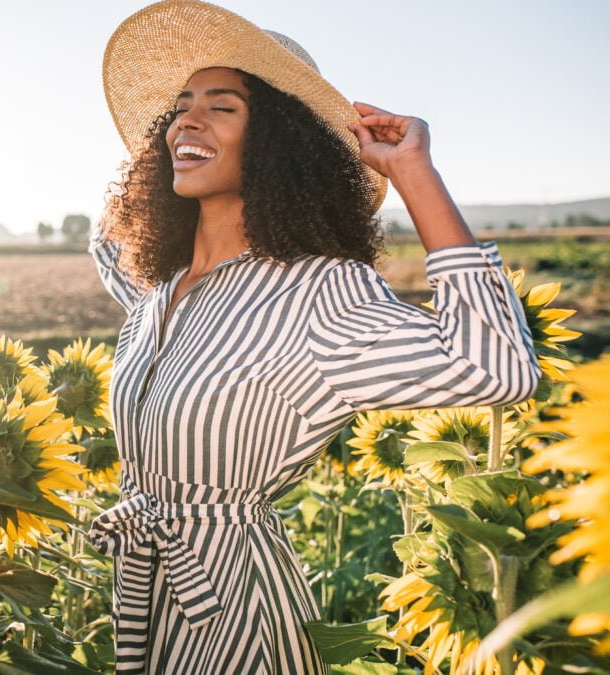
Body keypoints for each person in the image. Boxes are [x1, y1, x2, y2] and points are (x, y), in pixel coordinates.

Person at [84, 1, 543, 673]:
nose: (187, 118)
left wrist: (414, 172)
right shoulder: (159, 293)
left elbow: (500, 366)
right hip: (143, 593)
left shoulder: (318, 295)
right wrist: (143, 177)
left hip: (232, 609)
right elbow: (105, 244)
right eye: (179, 106)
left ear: (279, 143)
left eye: (223, 106)